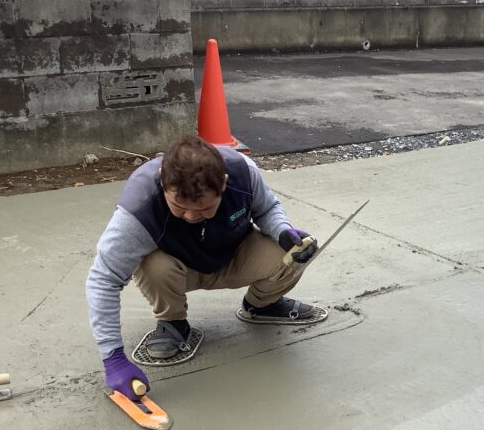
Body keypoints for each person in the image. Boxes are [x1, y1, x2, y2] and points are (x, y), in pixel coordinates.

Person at [87, 135, 326, 400]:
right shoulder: (140, 206)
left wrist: (283, 231)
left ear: (223, 183)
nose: (190, 216)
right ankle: (173, 323)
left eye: (203, 209)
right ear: (163, 183)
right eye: (179, 207)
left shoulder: (242, 173)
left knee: (294, 253)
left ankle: (261, 305)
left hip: (234, 255)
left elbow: (267, 208)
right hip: (176, 270)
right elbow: (103, 279)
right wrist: (113, 358)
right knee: (152, 264)